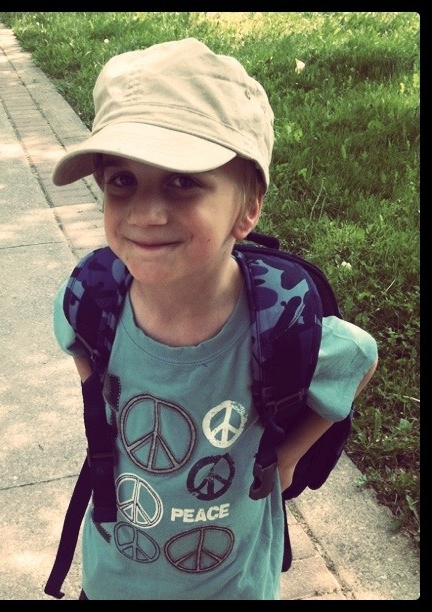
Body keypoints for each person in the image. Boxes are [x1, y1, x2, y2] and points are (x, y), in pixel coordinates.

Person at [51, 38, 378, 600]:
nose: (146, 213)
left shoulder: (276, 324)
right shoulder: (93, 295)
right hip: (112, 578)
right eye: (122, 180)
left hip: (233, 584)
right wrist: (98, 395)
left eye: (183, 180)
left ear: (247, 208)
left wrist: (287, 459)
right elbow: (71, 332)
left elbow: (358, 357)